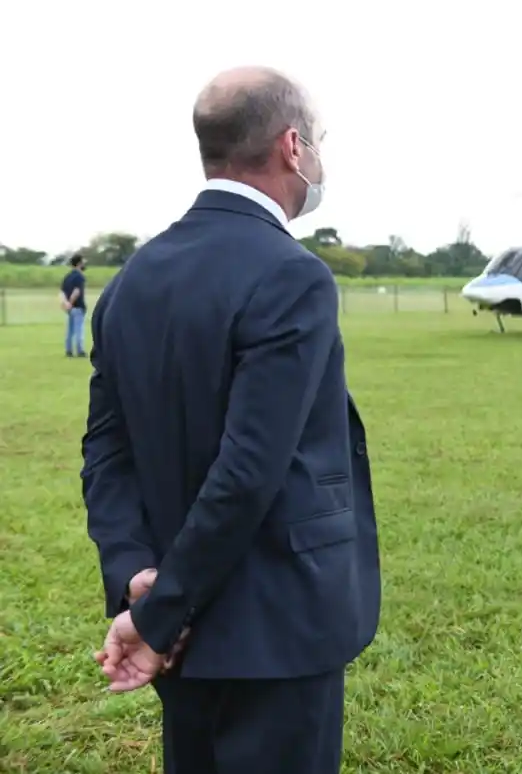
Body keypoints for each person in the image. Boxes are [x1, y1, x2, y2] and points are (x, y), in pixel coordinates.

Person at [81, 66, 381, 774]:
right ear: (290, 146)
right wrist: (161, 615)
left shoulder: (132, 281)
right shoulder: (292, 274)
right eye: (318, 142)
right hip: (275, 629)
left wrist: (135, 577)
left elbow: (105, 451)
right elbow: (249, 470)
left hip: (178, 630)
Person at [59, 253, 88, 357]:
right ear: (79, 263)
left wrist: (65, 303)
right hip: (78, 306)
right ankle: (80, 350)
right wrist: (71, 303)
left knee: (70, 330)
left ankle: (69, 350)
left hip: (69, 308)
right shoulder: (80, 276)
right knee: (79, 329)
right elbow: (77, 291)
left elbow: (62, 292)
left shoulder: (67, 277)